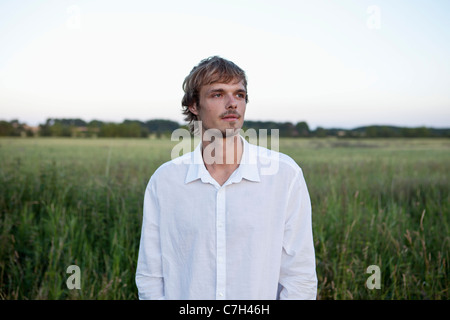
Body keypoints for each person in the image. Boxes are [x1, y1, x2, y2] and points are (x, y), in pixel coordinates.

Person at [135, 56, 317, 300]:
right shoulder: (165, 181)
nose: (233, 104)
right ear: (194, 105)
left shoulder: (284, 175)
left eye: (239, 95)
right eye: (218, 94)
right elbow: (151, 274)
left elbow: (299, 275)